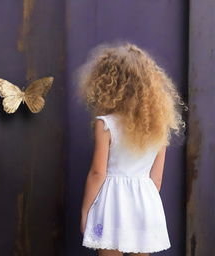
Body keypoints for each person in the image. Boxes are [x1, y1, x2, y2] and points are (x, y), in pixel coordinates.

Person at [78, 42, 188, 256]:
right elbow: (156, 179)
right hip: (144, 203)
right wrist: (143, 204)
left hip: (111, 204)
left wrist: (86, 211)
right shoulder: (159, 126)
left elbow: (98, 173)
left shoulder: (106, 124)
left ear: (108, 84)